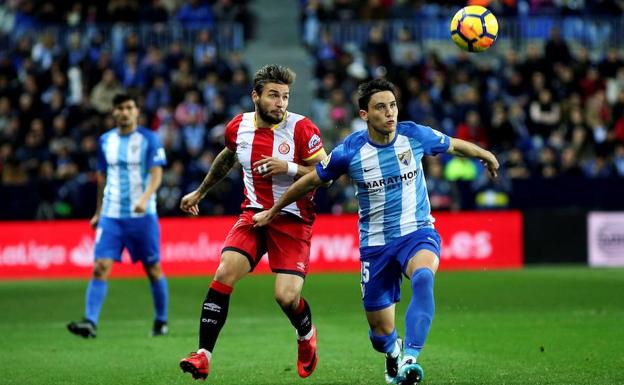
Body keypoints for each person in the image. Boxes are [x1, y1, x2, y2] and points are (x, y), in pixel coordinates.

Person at [253, 79, 499, 385]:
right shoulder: (350, 151)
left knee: (423, 277)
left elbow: (453, 144)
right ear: (365, 114)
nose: (389, 113)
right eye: (380, 107)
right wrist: (274, 210)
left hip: (417, 231)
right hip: (376, 246)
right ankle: (393, 352)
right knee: (380, 335)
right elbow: (311, 181)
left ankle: (410, 359)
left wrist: (484, 154)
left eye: (392, 105)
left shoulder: (414, 135)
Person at [178, 64, 327, 381]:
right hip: (253, 214)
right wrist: (201, 192)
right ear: (255, 96)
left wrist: (286, 166)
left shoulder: (302, 129)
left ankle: (305, 334)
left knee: (286, 297)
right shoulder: (239, 126)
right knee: (224, 272)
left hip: (293, 219)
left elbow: (325, 175)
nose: (281, 103)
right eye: (274, 95)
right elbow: (228, 156)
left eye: (285, 97)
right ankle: (203, 355)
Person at [67, 93, 169, 338]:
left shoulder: (149, 139)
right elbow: (102, 178)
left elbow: (156, 174)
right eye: (120, 108)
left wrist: (144, 199)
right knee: (100, 267)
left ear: (136, 111)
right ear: (113, 112)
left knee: (153, 268)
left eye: (129, 107)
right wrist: (98, 212)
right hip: (112, 215)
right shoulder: (105, 141)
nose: (124, 112)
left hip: (142, 216)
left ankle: (161, 321)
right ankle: (90, 322)